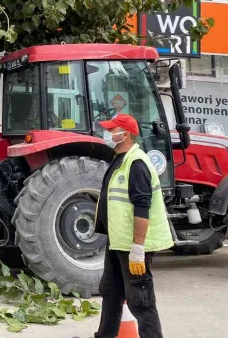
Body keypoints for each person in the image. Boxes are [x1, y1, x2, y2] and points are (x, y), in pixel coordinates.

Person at [94, 114, 173, 338]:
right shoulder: (120, 159)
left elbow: (142, 207)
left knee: (141, 300)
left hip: (133, 245)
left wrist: (138, 249)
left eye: (111, 130)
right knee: (111, 292)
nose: (107, 134)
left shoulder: (137, 163)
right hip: (118, 242)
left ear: (124, 135)